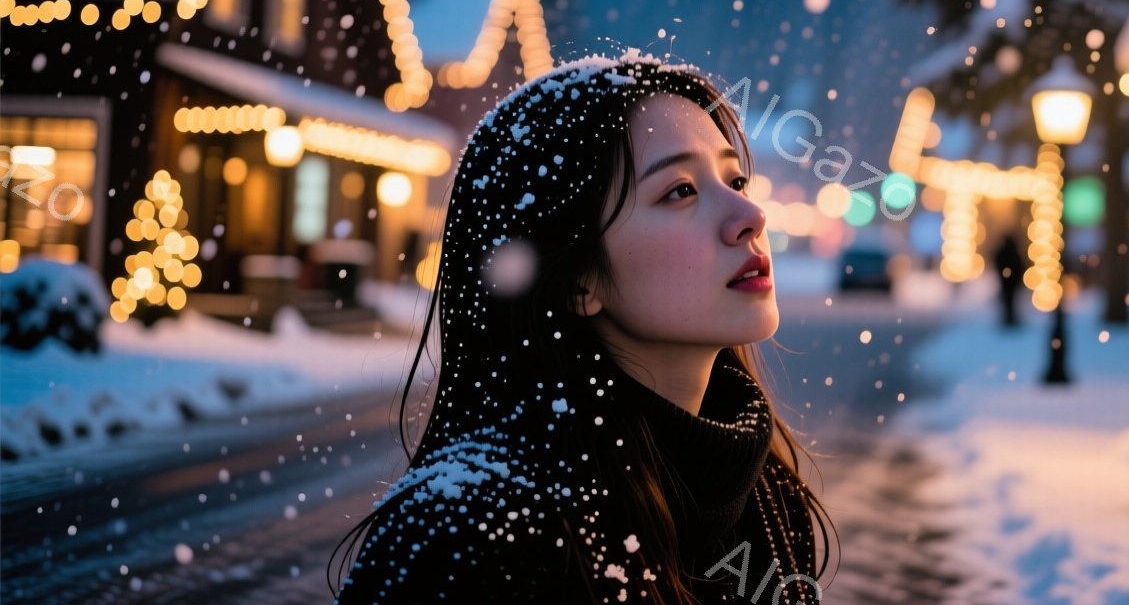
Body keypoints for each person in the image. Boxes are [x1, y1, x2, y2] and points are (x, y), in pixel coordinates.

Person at [331, 49, 833, 604]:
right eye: (680, 191)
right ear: (577, 280)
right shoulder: (470, 536)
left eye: (735, 179)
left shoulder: (768, 498)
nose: (751, 217)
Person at [993, 233, 1027, 328]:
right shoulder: (1014, 252)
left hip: (1007, 282)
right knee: (1011, 301)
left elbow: (998, 261)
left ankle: (1009, 318)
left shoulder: (1004, 252)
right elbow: (1020, 265)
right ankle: (1010, 318)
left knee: (1008, 301)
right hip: (1011, 282)